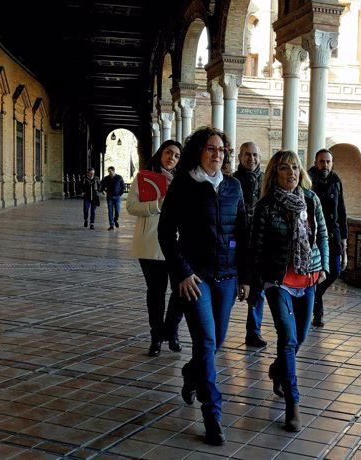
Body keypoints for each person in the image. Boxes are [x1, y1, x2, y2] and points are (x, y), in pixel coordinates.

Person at [158, 126, 250, 446]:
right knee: (206, 341)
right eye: (211, 148)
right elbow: (167, 235)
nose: (217, 154)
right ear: (199, 151)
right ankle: (213, 414)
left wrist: (246, 276)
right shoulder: (183, 185)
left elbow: (243, 231)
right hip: (195, 278)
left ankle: (190, 374)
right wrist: (182, 272)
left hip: (226, 277)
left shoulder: (233, 187)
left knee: (216, 342)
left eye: (222, 150)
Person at [249, 150, 329, 432]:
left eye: (295, 167)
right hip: (278, 281)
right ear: (275, 173)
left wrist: (324, 267)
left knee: (301, 337)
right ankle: (293, 403)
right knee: (288, 336)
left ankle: (277, 369)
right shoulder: (266, 207)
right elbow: (255, 248)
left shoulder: (311, 199)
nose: (291, 173)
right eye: (285, 168)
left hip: (307, 279)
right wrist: (254, 282)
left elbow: (323, 234)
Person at [126, 140, 185, 357]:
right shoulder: (143, 177)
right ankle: (156, 336)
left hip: (178, 244)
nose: (172, 157)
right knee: (156, 293)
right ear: (161, 153)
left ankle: (172, 330)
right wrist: (158, 204)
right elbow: (131, 207)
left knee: (181, 290)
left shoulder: (184, 181)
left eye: (177, 155)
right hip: (151, 244)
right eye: (169, 152)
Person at [307, 148, 347, 327]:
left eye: (328, 162)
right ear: (316, 162)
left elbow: (342, 210)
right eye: (322, 161)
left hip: (334, 235)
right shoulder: (308, 180)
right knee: (317, 272)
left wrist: (344, 237)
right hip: (315, 235)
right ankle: (318, 314)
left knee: (335, 271)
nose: (325, 165)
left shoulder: (336, 180)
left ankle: (314, 294)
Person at [233, 141, 267, 348]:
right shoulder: (232, 181)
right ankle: (220, 328)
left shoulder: (266, 181)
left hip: (258, 241)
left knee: (258, 290)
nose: (251, 159)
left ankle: (253, 332)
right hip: (236, 240)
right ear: (240, 157)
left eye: (254, 155)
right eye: (247, 154)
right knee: (230, 286)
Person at [100, 166, 125, 230]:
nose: (109, 173)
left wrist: (120, 194)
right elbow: (102, 185)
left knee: (117, 211)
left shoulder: (119, 177)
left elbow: (123, 187)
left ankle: (115, 220)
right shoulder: (106, 178)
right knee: (110, 211)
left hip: (117, 197)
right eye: (108, 171)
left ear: (114, 171)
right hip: (109, 197)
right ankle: (111, 224)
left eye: (110, 171)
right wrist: (103, 190)